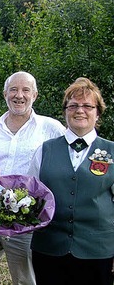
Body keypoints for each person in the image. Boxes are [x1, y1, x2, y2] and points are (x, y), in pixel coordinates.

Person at [0, 71, 64, 285]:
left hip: (26, 223)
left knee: (26, 280)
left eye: (26, 90)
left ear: (35, 95)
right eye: (14, 89)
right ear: (5, 93)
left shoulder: (50, 128)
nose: (19, 95)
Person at [27, 77, 114, 285]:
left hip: (98, 251)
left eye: (87, 106)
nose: (80, 110)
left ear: (98, 112)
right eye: (73, 105)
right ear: (65, 111)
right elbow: (30, 195)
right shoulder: (45, 150)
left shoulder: (112, 151)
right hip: (49, 249)